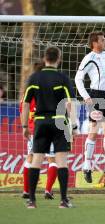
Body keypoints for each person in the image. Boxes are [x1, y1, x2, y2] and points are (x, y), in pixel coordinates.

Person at [22, 46, 77, 208]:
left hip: (40, 121)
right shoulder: (62, 78)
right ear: (58, 59)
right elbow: (71, 103)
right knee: (61, 160)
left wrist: (25, 125)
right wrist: (73, 126)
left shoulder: (34, 78)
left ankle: (31, 200)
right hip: (59, 121)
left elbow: (25, 104)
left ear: (45, 58)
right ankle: (63, 200)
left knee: (37, 159)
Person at [75, 31, 105, 183]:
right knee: (93, 130)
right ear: (95, 43)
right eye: (102, 40)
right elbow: (78, 79)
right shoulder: (89, 58)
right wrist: (86, 97)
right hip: (96, 95)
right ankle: (87, 165)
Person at [21, 61, 58, 200]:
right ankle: (48, 190)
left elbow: (23, 108)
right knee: (52, 158)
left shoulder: (29, 89)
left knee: (30, 157)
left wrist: (25, 126)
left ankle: (26, 191)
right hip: (49, 127)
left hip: (33, 130)